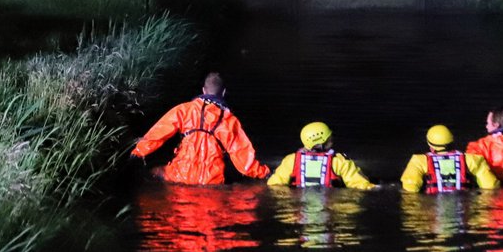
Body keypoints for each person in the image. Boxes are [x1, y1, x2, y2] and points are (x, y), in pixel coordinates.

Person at [131, 72, 271, 185]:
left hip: (180, 174)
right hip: (211, 180)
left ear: (203, 90)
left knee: (154, 172)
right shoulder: (228, 120)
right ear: (223, 93)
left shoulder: (184, 110)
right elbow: (243, 157)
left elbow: (157, 134)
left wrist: (137, 153)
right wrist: (264, 173)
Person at [267, 121, 376, 188]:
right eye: (330, 139)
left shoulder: (291, 160)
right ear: (321, 141)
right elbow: (358, 184)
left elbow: (274, 184)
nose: (332, 141)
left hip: (299, 201)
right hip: (330, 200)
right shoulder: (338, 161)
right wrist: (375, 188)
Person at [401, 124, 500, 192]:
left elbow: (410, 187)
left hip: (434, 205)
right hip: (463, 204)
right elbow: (491, 185)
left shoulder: (419, 161)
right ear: (452, 142)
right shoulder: (472, 160)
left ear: (430, 146)